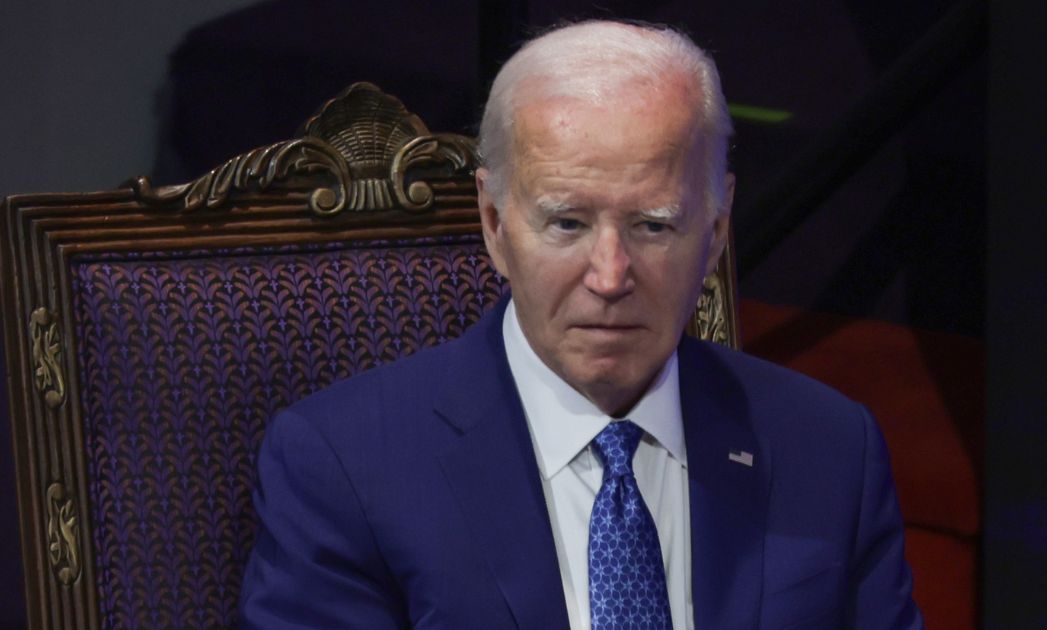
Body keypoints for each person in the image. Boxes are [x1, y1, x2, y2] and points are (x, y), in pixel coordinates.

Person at [240, 20, 922, 630]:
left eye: (653, 226)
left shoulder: (830, 452)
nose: (610, 275)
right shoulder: (345, 467)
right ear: (495, 224)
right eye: (567, 223)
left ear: (714, 232)